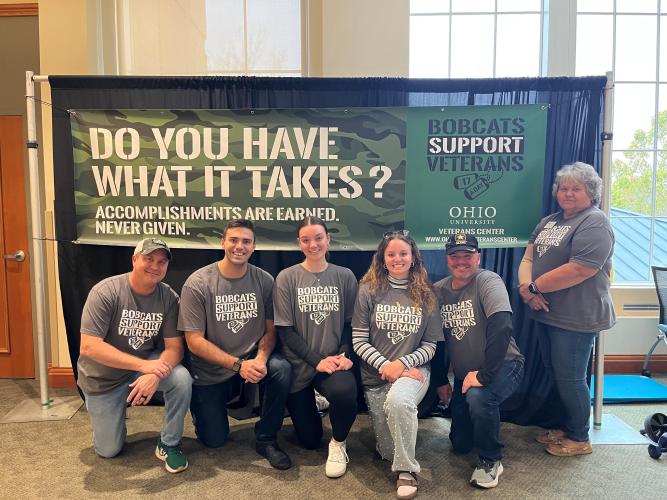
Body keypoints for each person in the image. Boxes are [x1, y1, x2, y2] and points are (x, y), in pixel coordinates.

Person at [178, 219, 293, 470]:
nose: (239, 246)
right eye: (233, 240)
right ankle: (205, 414)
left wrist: (261, 359)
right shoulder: (198, 283)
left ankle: (266, 438)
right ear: (222, 243)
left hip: (251, 359)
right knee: (214, 440)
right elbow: (194, 341)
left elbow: (270, 329)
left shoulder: (264, 280)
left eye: (246, 241)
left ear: (254, 247)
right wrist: (238, 366)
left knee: (281, 368)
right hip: (211, 370)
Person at [518, 162, 615, 457]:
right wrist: (526, 290)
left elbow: (580, 270)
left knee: (571, 377)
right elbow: (528, 259)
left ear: (591, 193)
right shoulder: (549, 221)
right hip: (546, 311)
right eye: (564, 188)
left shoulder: (595, 222)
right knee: (556, 373)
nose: (568, 194)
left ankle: (579, 437)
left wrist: (534, 289)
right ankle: (565, 424)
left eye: (576, 189)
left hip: (577, 317)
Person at [77, 237, 192, 473]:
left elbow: (175, 348)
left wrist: (155, 374)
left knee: (181, 379)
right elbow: (89, 347)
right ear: (134, 259)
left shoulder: (169, 297)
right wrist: (145, 366)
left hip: (141, 368)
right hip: (103, 379)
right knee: (108, 451)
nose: (155, 266)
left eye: (161, 262)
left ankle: (169, 443)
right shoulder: (105, 292)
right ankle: (113, 417)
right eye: (148, 259)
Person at [352, 230, 442, 500]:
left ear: (413, 257)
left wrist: (402, 364)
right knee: (387, 451)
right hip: (377, 375)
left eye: (403, 253)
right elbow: (358, 340)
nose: (397, 258)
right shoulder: (367, 289)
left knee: (399, 403)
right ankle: (400, 454)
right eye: (391, 254)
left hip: (414, 374)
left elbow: (430, 346)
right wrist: (388, 367)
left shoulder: (427, 294)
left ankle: (406, 471)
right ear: (382, 258)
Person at [433, 233, 524, 489]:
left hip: (505, 365)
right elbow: (437, 340)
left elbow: (502, 326)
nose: (461, 261)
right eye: (455, 256)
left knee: (480, 397)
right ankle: (483, 427)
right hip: (466, 375)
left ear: (478, 258)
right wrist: (441, 379)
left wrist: (483, 375)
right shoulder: (439, 290)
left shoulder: (488, 280)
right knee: (460, 444)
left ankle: (491, 459)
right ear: (447, 259)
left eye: (467, 256)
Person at [273, 216, 358, 478]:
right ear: (299, 244)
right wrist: (314, 360)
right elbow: (285, 330)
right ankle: (316, 403)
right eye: (306, 239)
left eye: (318, 238)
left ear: (328, 240)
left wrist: (343, 353)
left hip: (332, 363)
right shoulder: (287, 278)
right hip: (301, 364)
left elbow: (349, 323)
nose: (313, 244)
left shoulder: (344, 276)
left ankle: (338, 444)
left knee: (345, 391)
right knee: (309, 441)